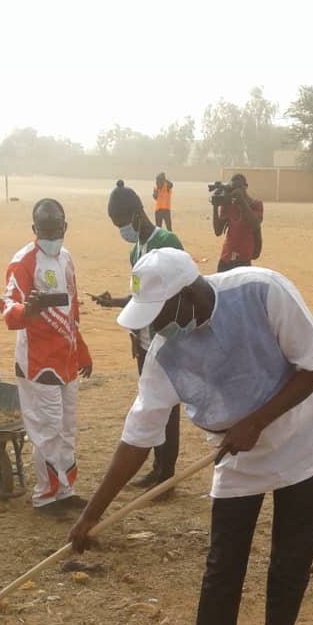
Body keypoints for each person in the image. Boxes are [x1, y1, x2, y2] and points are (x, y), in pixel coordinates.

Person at [69, 248, 313, 625]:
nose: (154, 331)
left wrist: (256, 421)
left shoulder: (263, 290)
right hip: (235, 459)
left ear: (190, 293)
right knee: (222, 569)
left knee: (290, 563)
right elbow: (139, 435)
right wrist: (93, 512)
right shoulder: (163, 353)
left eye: (160, 316)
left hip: (298, 442)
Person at [0, 198, 92, 516]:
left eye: (56, 229)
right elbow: (8, 311)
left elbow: (73, 308)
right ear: (34, 229)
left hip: (66, 360)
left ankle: (66, 489)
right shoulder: (23, 261)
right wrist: (29, 309)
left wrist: (81, 348)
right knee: (47, 430)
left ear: (65, 227)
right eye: (45, 230)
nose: (51, 235)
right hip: (39, 363)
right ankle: (45, 496)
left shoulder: (66, 259)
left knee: (66, 428)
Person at [93, 180, 183, 488]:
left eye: (120, 223)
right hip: (144, 340)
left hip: (166, 339)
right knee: (151, 403)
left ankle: (166, 473)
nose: (121, 230)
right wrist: (115, 304)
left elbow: (181, 290)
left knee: (167, 406)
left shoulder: (166, 241)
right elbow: (140, 296)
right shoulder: (136, 251)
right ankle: (157, 467)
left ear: (135, 214)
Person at [212, 173, 263, 272]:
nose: (236, 191)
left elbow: (255, 224)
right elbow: (218, 231)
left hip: (244, 260)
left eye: (239, 187)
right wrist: (215, 207)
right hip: (226, 258)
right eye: (234, 188)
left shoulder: (256, 204)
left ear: (246, 186)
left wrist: (242, 201)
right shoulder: (228, 205)